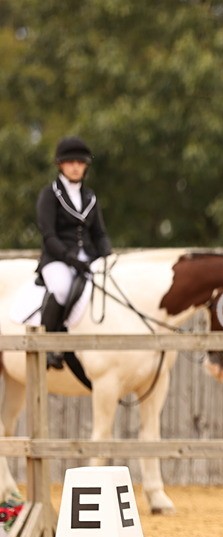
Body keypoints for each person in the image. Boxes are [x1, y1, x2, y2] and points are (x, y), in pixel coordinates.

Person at [36, 135, 112, 369]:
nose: (76, 166)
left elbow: (99, 233)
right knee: (61, 288)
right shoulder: (50, 194)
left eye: (80, 163)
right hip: (57, 258)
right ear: (61, 164)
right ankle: (48, 345)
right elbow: (48, 235)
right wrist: (69, 258)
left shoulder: (90, 196)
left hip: (87, 258)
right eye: (71, 162)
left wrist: (108, 256)